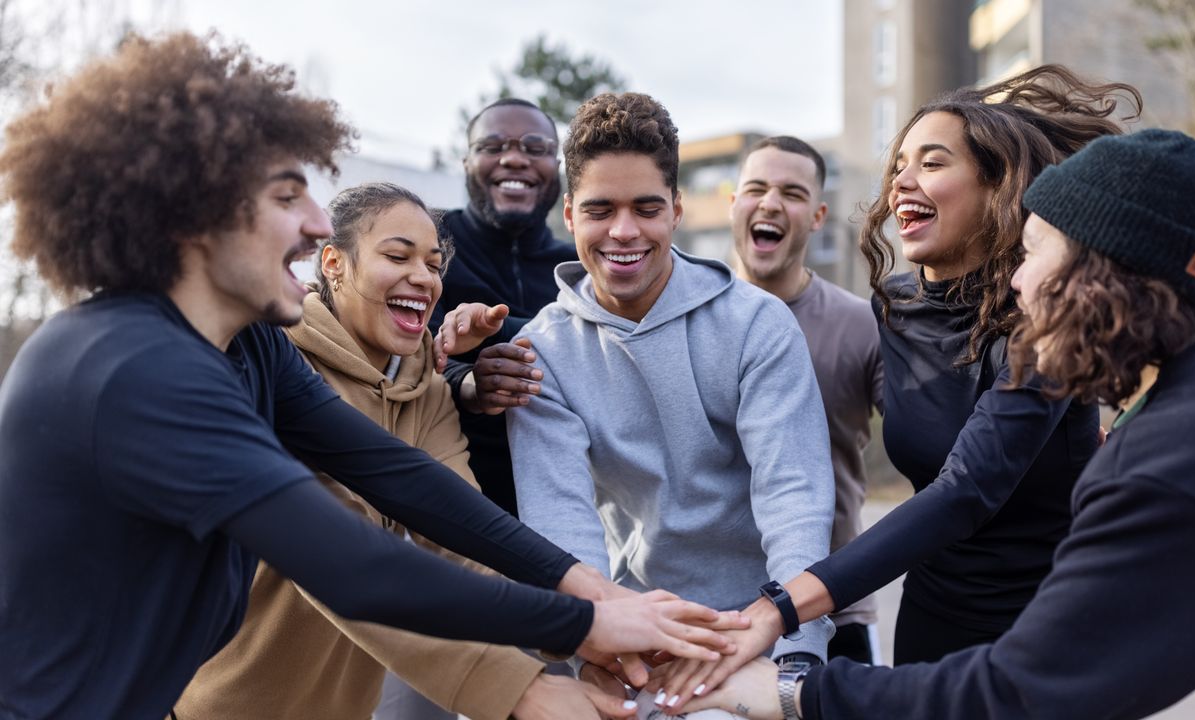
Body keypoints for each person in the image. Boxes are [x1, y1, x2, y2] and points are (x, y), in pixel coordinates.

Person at [0, 33, 735, 719]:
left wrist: (590, 589)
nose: (319, 223)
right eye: (289, 196)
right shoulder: (137, 372)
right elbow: (354, 569)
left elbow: (403, 479)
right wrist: (579, 632)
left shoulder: (250, 348)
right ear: (193, 217)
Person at [677, 128, 1195, 720]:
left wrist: (792, 694)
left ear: (1100, 271)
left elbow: (1019, 693)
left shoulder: (1179, 462)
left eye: (1035, 251)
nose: (1019, 279)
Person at [654, 65, 1140, 711]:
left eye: (932, 163)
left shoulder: (1040, 320)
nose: (902, 181)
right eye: (899, 164)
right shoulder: (890, 310)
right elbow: (786, 333)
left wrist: (779, 610)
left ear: (997, 186)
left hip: (1051, 622)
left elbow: (966, 489)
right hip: (935, 616)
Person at [176, 183, 624, 720]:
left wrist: (580, 631)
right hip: (219, 704)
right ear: (334, 263)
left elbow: (466, 549)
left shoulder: (426, 386)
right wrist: (521, 687)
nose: (424, 277)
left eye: (435, 264)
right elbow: (339, 567)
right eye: (397, 256)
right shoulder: (277, 369)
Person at [506, 92, 837, 708]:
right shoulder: (540, 351)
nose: (624, 231)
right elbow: (560, 522)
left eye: (646, 208)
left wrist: (794, 660)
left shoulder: (757, 325)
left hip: (761, 627)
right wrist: (597, 650)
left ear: (677, 210)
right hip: (629, 632)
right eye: (601, 209)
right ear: (570, 216)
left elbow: (793, 497)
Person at [728, 136, 882, 665]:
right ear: (733, 203)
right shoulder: (685, 315)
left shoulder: (862, 325)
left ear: (817, 216)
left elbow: (933, 441)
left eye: (791, 193)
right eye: (756, 188)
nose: (770, 203)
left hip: (834, 604)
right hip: (712, 608)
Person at [429, 98, 578, 518]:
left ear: (558, 166)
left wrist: (496, 330)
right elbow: (399, 347)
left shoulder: (583, 270)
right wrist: (468, 382)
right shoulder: (428, 242)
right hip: (450, 508)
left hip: (574, 511)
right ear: (466, 161)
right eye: (493, 147)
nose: (514, 159)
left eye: (534, 148)